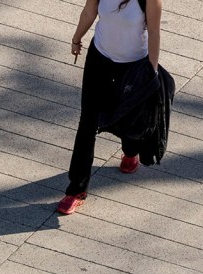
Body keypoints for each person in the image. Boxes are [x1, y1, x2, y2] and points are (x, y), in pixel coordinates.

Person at [57, 0, 164, 216]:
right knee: (87, 122)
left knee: (128, 120)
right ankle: (76, 191)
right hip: (99, 59)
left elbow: (153, 32)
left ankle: (131, 152)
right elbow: (89, 12)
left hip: (133, 67)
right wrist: (76, 39)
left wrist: (151, 74)